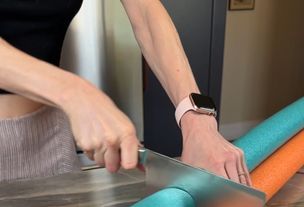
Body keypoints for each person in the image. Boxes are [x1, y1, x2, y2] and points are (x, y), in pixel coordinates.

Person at [0, 0, 251, 185]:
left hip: (49, 135)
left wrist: (197, 119)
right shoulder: (72, 92)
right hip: (59, 105)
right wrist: (73, 91)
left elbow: (145, 12)